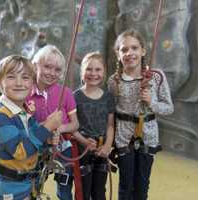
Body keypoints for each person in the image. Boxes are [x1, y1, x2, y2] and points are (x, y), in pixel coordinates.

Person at [107, 29, 174, 200]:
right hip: (123, 138)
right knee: (125, 186)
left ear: (143, 51)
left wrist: (152, 102)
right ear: (118, 54)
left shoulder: (156, 77)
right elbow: (111, 114)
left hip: (148, 137)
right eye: (124, 49)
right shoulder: (114, 81)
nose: (129, 53)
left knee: (142, 186)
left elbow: (168, 108)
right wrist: (109, 141)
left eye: (134, 48)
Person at [0, 55, 63, 200]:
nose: (19, 83)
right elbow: (20, 151)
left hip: (29, 181)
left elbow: (34, 138)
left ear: (32, 83)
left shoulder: (25, 111)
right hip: (11, 185)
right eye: (11, 77)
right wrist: (47, 127)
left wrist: (49, 140)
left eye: (25, 77)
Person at [26, 45, 80, 200]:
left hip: (62, 148)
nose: (51, 73)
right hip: (36, 147)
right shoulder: (26, 92)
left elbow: (75, 124)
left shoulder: (66, 93)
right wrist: (46, 128)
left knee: (64, 187)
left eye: (57, 70)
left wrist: (60, 128)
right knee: (33, 186)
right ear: (35, 65)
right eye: (47, 67)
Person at [73, 52, 115, 200]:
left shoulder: (108, 97)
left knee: (99, 192)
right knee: (83, 191)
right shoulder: (75, 97)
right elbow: (73, 127)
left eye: (98, 70)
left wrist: (108, 146)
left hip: (102, 149)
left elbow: (110, 124)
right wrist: (84, 142)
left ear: (103, 72)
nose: (93, 73)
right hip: (83, 150)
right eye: (89, 69)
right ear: (82, 71)